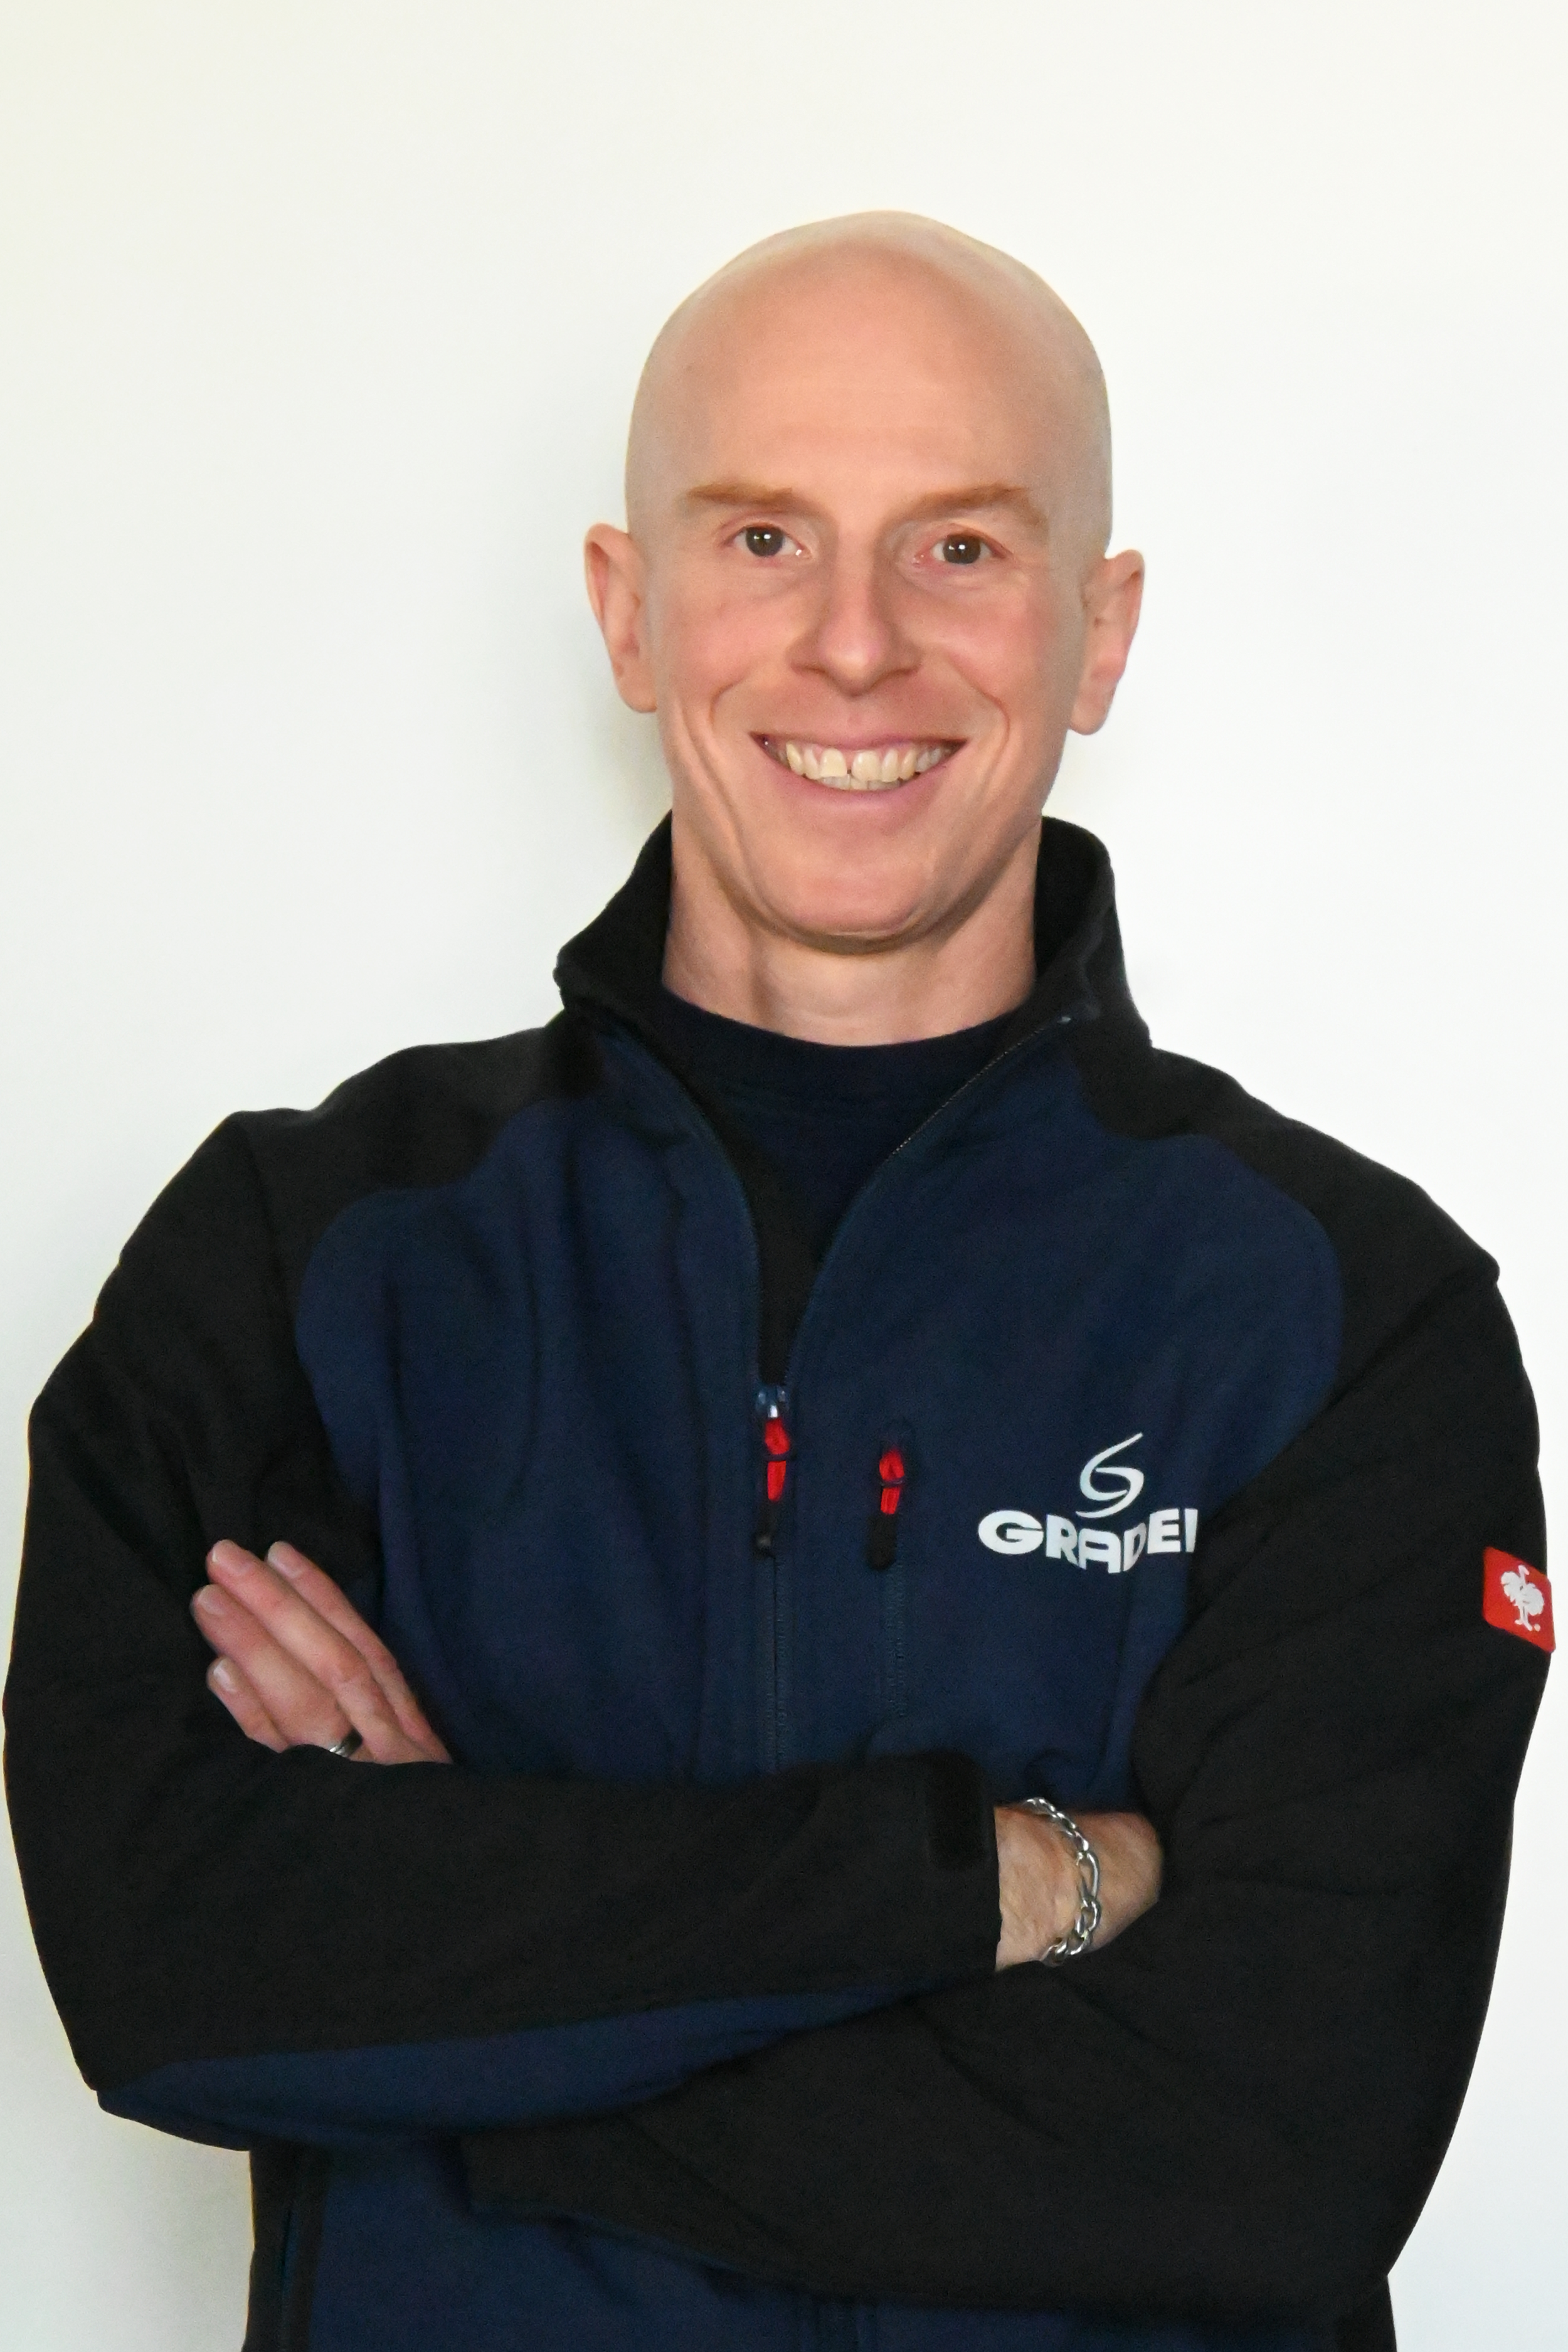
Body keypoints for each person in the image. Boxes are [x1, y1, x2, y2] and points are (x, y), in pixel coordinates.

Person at [4, 214, 1550, 2352]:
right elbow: (169, 1967)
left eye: (958, 550)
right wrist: (989, 1880)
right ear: (629, 613)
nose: (850, 646)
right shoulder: (303, 1254)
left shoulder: (1344, 1315)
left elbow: (1267, 2140)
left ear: (1098, 636)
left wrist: (445, 1990)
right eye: (759, 537)